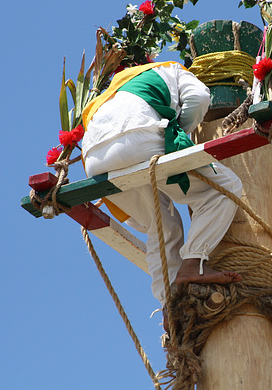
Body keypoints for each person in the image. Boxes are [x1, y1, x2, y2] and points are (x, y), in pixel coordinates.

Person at [81, 61, 243, 307]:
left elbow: (138, 218)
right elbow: (199, 98)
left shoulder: (109, 94)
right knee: (226, 188)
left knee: (160, 226)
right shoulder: (171, 68)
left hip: (94, 161)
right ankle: (192, 263)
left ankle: (170, 305)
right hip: (139, 139)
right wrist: (179, 135)